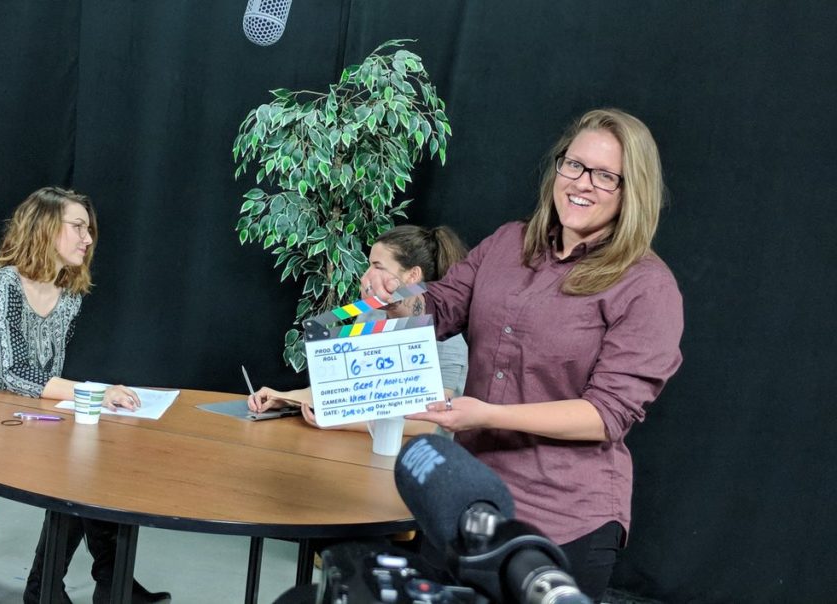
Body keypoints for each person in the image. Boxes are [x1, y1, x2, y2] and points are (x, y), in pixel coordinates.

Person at [363, 108, 684, 600]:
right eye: (573, 165)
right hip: (463, 503)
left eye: (605, 175)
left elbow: (607, 414)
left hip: (561, 519)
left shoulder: (648, 286)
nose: (582, 183)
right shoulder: (507, 243)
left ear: (630, 190)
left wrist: (488, 414)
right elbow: (442, 307)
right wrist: (397, 296)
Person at [0, 187, 169, 603]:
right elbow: (15, 375)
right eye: (78, 227)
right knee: (79, 465)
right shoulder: (3, 287)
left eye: (90, 229)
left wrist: (91, 402)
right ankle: (52, 589)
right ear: (45, 229)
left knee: (96, 456)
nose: (88, 238)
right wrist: (96, 394)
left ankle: (100, 582)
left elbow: (48, 377)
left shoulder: (67, 296)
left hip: (22, 416)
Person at [247, 224, 469, 434]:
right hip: (362, 446)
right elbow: (342, 389)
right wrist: (285, 398)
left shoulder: (446, 338)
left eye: (377, 266)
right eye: (369, 265)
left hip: (420, 456)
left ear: (412, 276)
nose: (366, 276)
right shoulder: (371, 315)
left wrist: (339, 421)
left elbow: (428, 423)